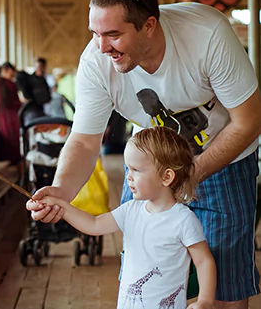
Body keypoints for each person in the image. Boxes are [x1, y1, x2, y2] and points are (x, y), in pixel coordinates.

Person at [26, 0, 261, 308]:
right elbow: (83, 141)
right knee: (142, 265)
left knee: (224, 276)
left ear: (149, 26)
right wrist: (61, 191)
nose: (102, 47)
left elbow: (249, 121)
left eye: (113, 35)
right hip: (150, 165)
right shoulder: (97, 62)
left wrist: (190, 175)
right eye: (95, 34)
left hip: (226, 154)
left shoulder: (207, 34)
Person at [28, 127, 216, 308]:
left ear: (166, 177)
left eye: (136, 170)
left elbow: (203, 261)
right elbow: (94, 224)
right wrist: (62, 206)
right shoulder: (131, 210)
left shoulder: (183, 220)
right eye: (128, 168)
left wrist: (205, 301)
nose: (129, 177)